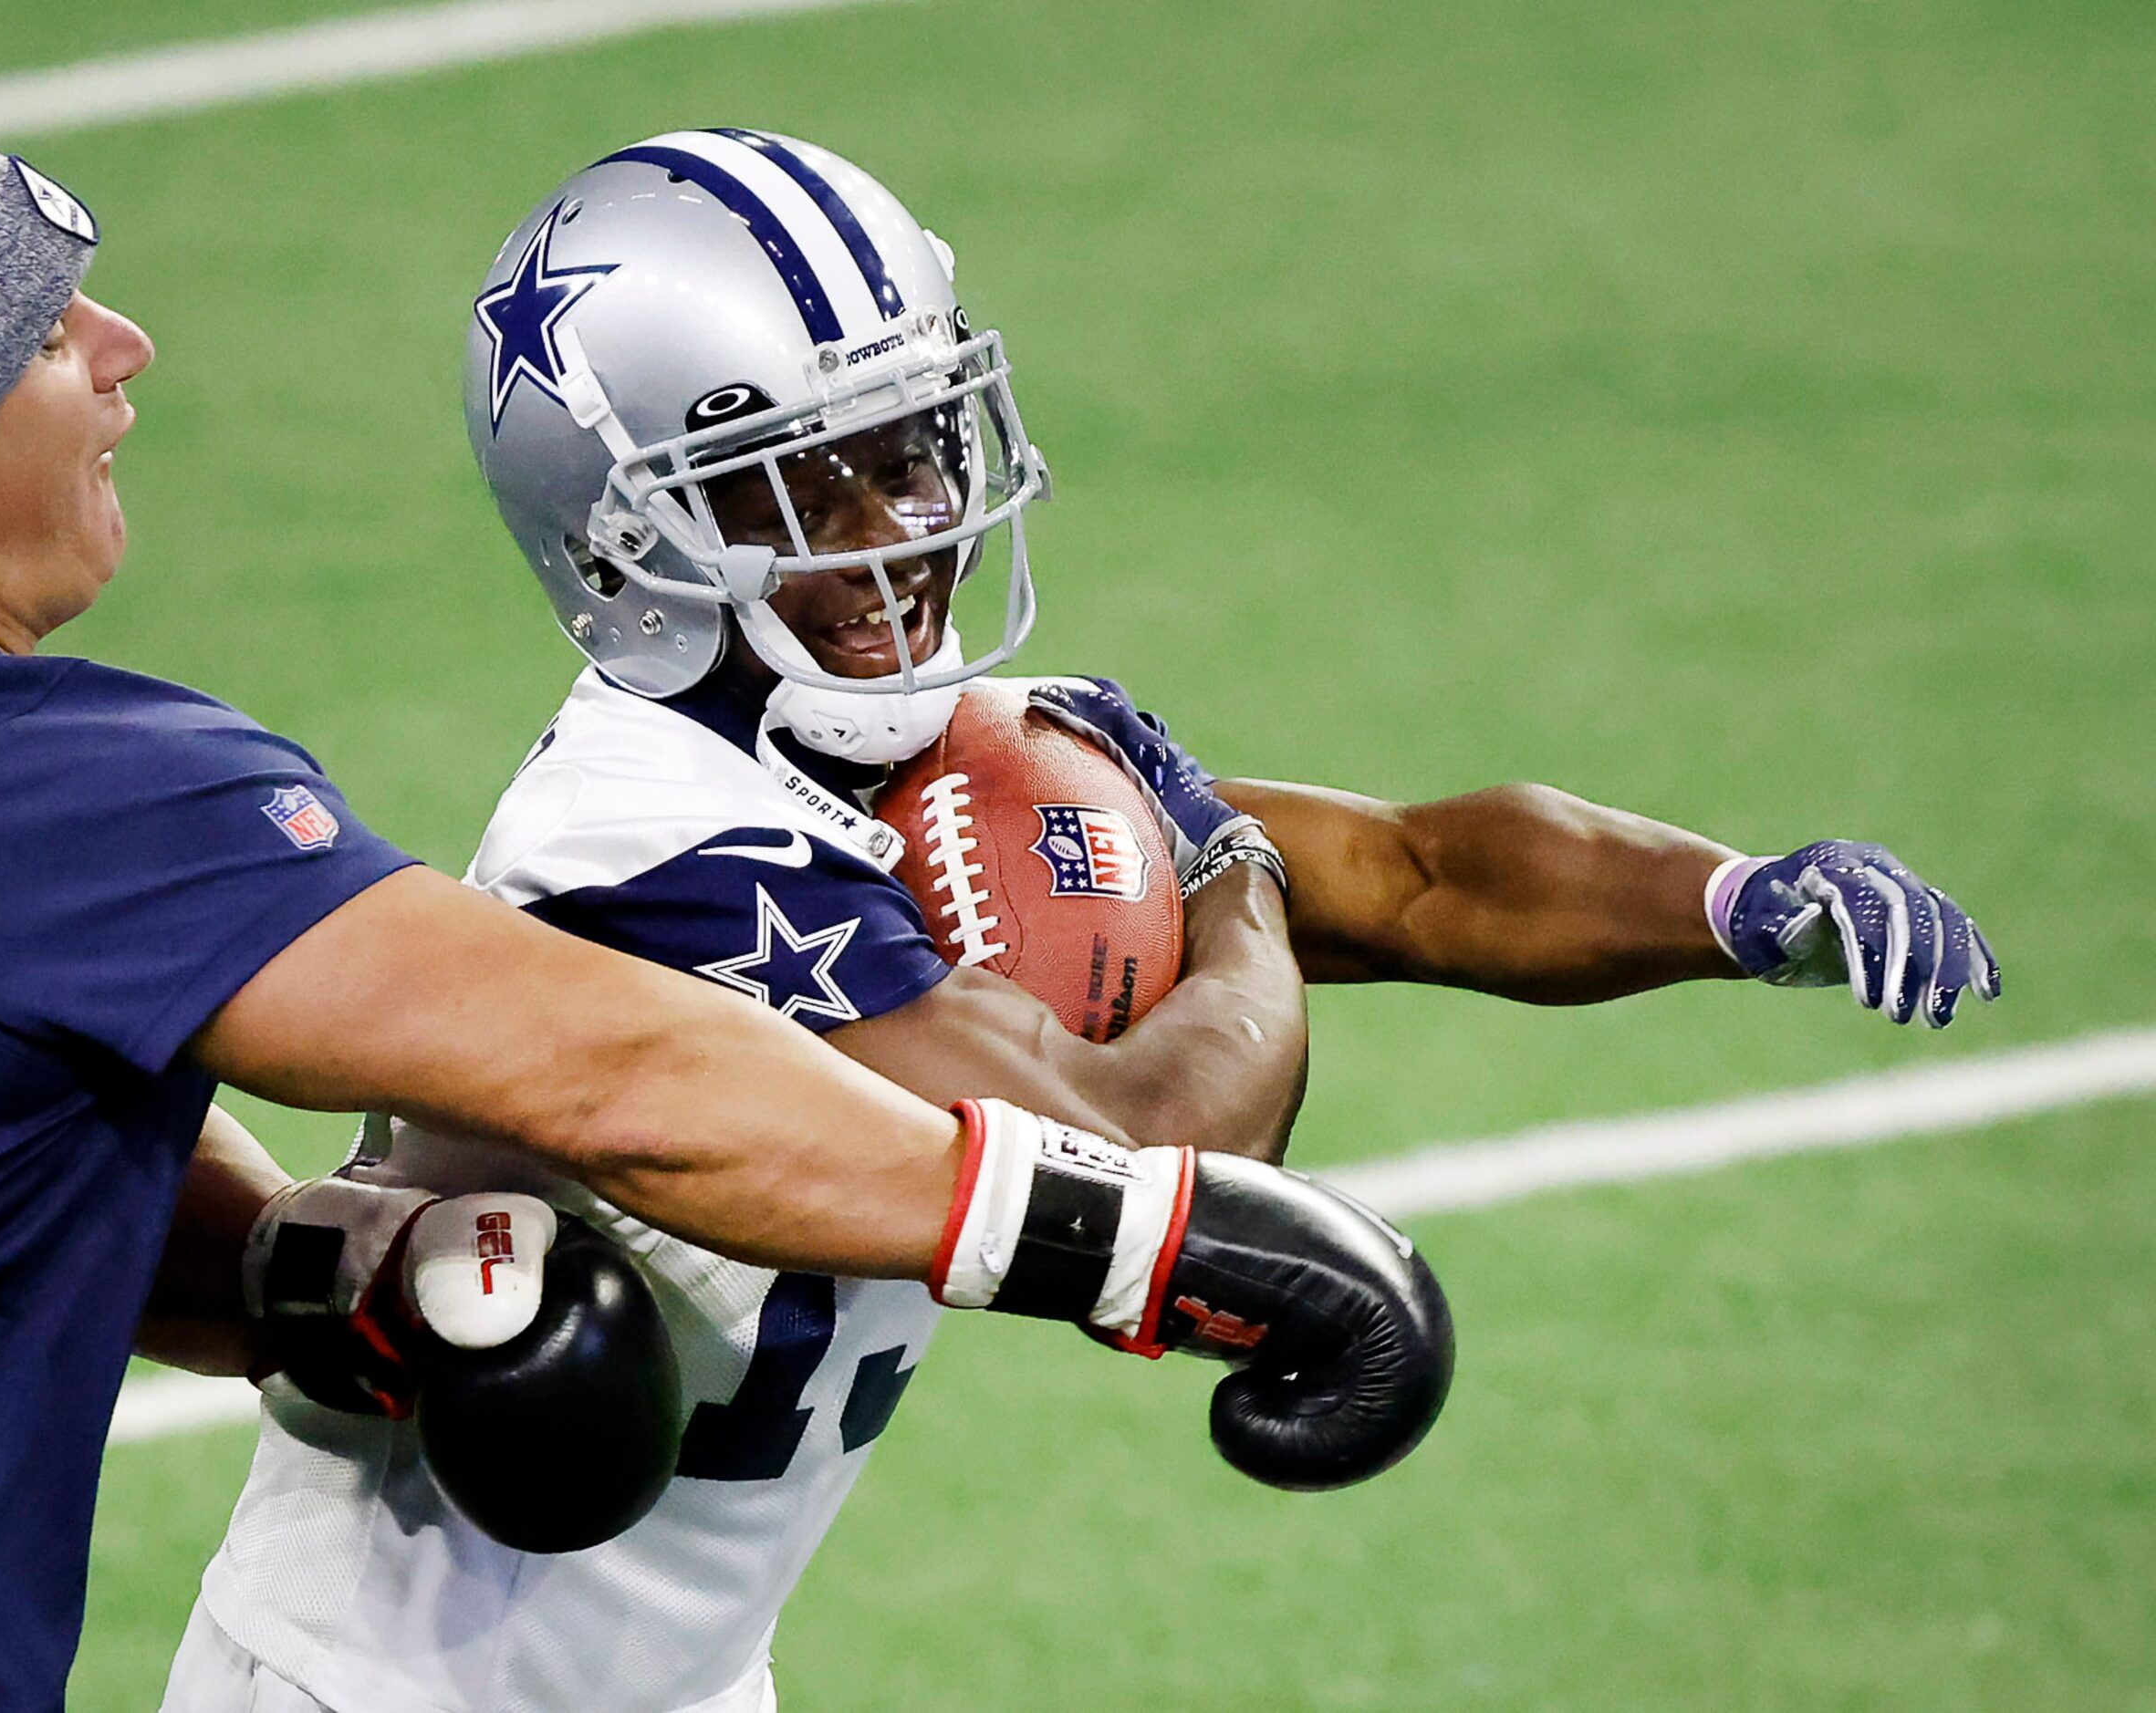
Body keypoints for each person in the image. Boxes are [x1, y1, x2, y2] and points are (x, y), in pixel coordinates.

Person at [0, 80, 1437, 1713]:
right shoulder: (75, 803)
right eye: (52, 329)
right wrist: (1156, 1240)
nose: (123, 357)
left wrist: (320, 1278)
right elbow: (630, 1074)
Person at [168, 129, 2000, 1712]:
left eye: (909, 447)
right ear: (626, 535)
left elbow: (1420, 874)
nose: (901, 524)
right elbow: (1150, 1148)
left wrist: (1725, 898)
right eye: (810, 485)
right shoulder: (637, 849)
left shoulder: (880, 749)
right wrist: (1226, 872)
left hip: (676, 1670)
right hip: (377, 1683)